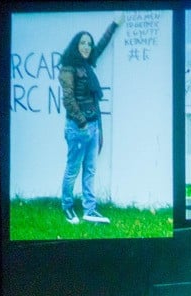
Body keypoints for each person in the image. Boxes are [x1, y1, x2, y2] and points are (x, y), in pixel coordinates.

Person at [58, 16, 122, 225]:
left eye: (89, 43)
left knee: (90, 170)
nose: (86, 46)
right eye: (82, 43)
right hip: (78, 128)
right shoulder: (68, 67)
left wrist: (113, 25)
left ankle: (89, 209)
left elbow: (101, 46)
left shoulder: (87, 65)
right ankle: (67, 207)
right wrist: (83, 123)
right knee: (72, 170)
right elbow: (68, 99)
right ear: (76, 45)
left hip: (93, 126)